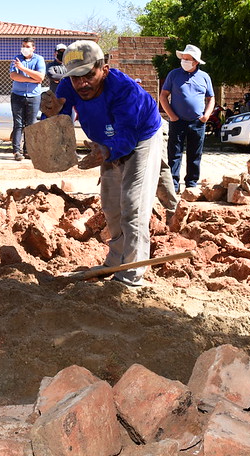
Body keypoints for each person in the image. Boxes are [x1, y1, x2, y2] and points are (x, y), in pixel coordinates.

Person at [40, 40, 163, 287]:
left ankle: (132, 273)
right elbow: (58, 118)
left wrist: (107, 151)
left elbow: (127, 136)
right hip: (103, 143)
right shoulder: (69, 85)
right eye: (76, 78)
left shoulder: (124, 90)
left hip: (141, 138)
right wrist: (50, 112)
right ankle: (116, 260)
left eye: (89, 75)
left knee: (132, 204)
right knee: (111, 206)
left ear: (103, 69)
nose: (82, 84)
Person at [159, 44, 215, 192]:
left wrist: (206, 116)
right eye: (183, 58)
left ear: (196, 61)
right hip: (178, 122)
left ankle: (191, 184)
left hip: (197, 122)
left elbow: (211, 98)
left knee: (195, 154)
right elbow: (163, 96)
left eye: (187, 59)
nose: (184, 61)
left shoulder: (204, 77)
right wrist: (172, 116)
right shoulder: (173, 74)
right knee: (174, 154)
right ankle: (173, 185)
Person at [9, 37, 46, 161]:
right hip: (17, 95)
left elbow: (41, 76)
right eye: (23, 46)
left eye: (27, 46)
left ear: (33, 48)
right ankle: (16, 151)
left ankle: (28, 150)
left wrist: (23, 69)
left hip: (33, 96)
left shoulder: (39, 59)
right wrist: (32, 79)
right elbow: (14, 76)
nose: (25, 48)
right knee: (18, 124)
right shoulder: (16, 58)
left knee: (31, 125)